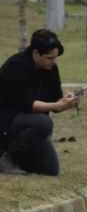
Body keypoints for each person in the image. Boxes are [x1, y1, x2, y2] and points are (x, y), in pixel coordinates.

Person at [0, 30, 79, 175]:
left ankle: (18, 157)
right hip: (6, 122)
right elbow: (26, 104)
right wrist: (57, 105)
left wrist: (67, 101)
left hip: (29, 129)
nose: (53, 62)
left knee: (50, 169)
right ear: (36, 53)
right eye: (49, 58)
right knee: (43, 122)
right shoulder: (15, 66)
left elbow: (55, 103)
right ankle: (6, 159)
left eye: (55, 58)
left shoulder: (50, 68)